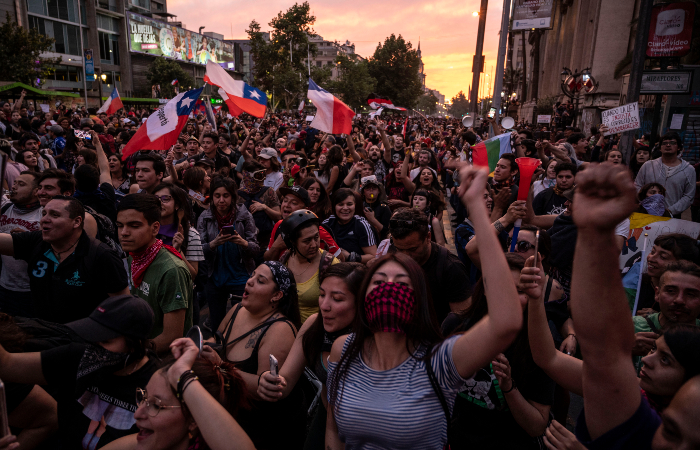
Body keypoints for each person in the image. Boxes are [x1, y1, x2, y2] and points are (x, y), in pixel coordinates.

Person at [326, 164, 523, 449]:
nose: (390, 285)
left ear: (417, 299)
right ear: (364, 296)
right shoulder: (343, 349)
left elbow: (505, 322)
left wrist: (478, 210)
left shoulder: (439, 361)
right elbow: (333, 430)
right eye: (380, 280)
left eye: (402, 282)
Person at [0, 295, 159, 449]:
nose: (94, 345)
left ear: (134, 344)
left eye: (105, 340)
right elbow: (7, 365)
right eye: (92, 334)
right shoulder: (80, 357)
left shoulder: (156, 384)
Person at [441, 254, 555, 449]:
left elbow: (536, 426)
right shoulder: (455, 326)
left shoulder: (537, 345)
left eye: (520, 290)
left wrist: (508, 387)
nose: (509, 296)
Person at [257, 263, 366, 449]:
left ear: (361, 302)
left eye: (337, 299)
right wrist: (269, 382)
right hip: (325, 417)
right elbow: (286, 380)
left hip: (365, 426)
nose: (324, 306)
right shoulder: (314, 325)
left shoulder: (371, 340)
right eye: (322, 294)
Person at [205, 261, 304, 450]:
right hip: (229, 413)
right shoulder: (237, 310)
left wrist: (221, 366)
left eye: (260, 280)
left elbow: (263, 391)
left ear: (276, 295)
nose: (249, 282)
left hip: (261, 431)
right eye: (252, 276)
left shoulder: (280, 329)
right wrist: (202, 345)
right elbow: (217, 340)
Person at [99, 337, 255, 450]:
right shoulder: (141, 442)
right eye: (143, 397)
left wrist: (182, 375)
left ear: (193, 419)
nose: (137, 413)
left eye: (155, 405)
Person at [0, 195, 129, 324]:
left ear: (77, 222)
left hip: (84, 339)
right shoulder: (37, 242)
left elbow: (124, 308)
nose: (44, 219)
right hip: (45, 334)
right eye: (44, 213)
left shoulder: (101, 256)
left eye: (54, 215)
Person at [117, 193, 193, 354]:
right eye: (120, 225)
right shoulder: (135, 257)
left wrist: (130, 353)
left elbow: (171, 336)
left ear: (155, 228)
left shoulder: (172, 270)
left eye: (134, 225)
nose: (124, 232)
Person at [386, 207, 471, 323]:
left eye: (413, 249)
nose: (406, 256)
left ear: (428, 237)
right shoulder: (394, 251)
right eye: (400, 249)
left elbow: (461, 323)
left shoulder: (451, 268)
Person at [197, 177, 258, 332]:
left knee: (243, 321)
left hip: (241, 275)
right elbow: (198, 251)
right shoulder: (205, 217)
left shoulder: (244, 216)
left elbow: (256, 249)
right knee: (217, 323)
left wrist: (242, 242)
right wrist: (213, 244)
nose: (221, 200)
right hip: (215, 276)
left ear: (233, 197)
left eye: (226, 196)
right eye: (217, 196)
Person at [278, 209, 339, 323]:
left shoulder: (329, 264)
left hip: (315, 333)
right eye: (307, 241)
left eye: (316, 237)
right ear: (292, 242)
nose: (314, 244)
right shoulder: (285, 259)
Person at [0, 171, 42, 317]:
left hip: (32, 291)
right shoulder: (5, 208)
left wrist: (28, 241)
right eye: (15, 183)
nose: (14, 187)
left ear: (36, 191)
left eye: (21, 184)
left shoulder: (44, 214)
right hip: (4, 287)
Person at [264, 185, 341, 262]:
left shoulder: (317, 231)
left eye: (294, 203)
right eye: (285, 200)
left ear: (305, 210)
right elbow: (267, 260)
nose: (286, 205)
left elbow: (340, 258)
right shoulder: (279, 225)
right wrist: (276, 247)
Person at [635, 132, 696, 218]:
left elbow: (689, 196)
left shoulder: (689, 170)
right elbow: (637, 185)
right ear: (660, 148)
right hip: (646, 214)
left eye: (672, 143)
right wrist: (646, 204)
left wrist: (670, 211)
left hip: (673, 216)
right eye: (664, 143)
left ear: (678, 147)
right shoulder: (648, 165)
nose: (668, 145)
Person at [154, 182, 205, 280]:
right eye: (156, 199)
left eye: (165, 199)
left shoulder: (191, 234)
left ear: (177, 205)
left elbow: (192, 275)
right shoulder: (147, 230)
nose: (160, 202)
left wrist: (178, 251)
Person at [237, 160, 281, 259]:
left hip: (264, 246)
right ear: (248, 176)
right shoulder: (237, 195)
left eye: (263, 175)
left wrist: (265, 207)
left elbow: (279, 217)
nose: (262, 179)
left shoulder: (269, 192)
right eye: (258, 176)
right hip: (243, 246)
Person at [322, 189, 377, 264]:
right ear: (333, 206)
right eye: (340, 204)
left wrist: (351, 257)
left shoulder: (362, 225)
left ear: (355, 205)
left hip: (355, 270)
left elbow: (373, 256)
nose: (345, 208)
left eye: (349, 204)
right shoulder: (326, 224)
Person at [359, 175, 392, 241]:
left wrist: (372, 219)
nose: (371, 190)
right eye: (368, 188)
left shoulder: (384, 208)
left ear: (379, 191)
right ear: (363, 192)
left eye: (374, 188)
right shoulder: (359, 206)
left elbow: (387, 231)